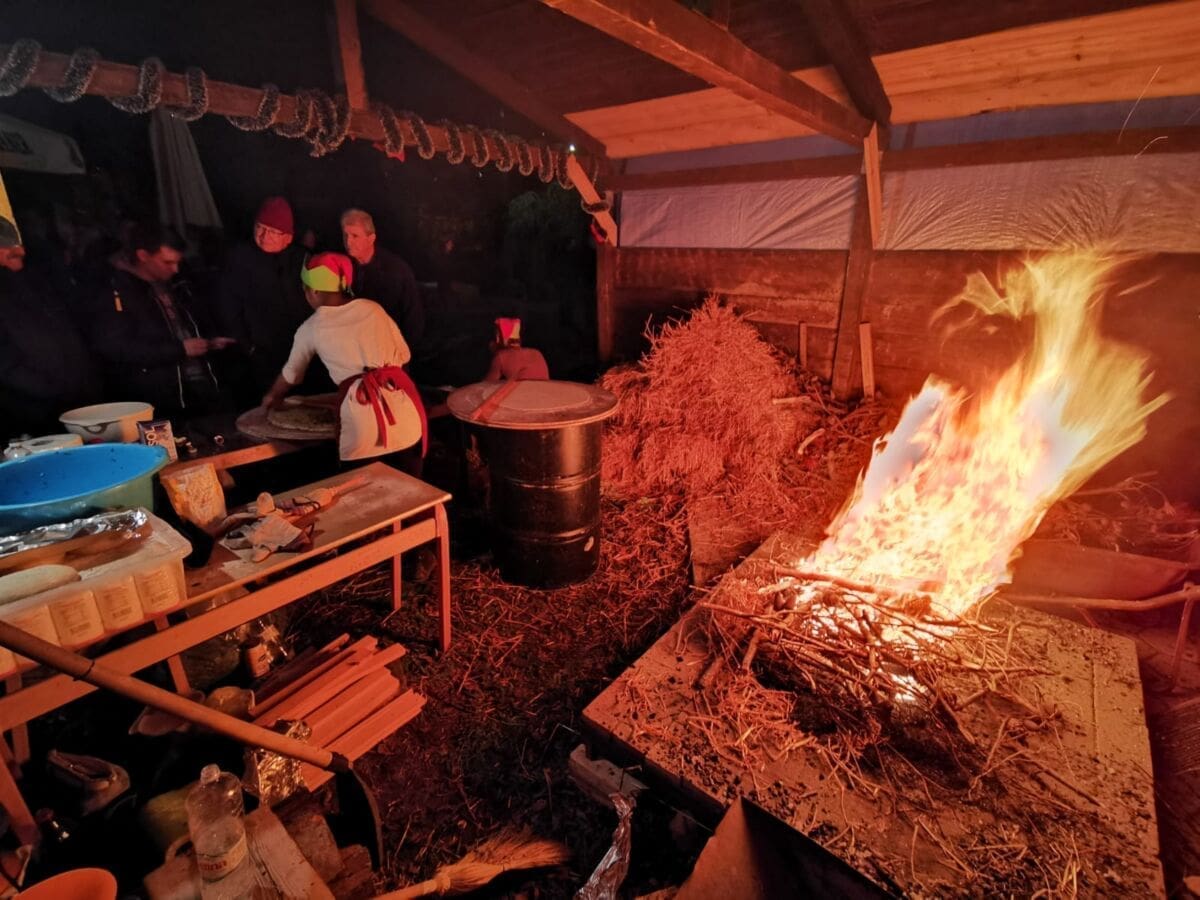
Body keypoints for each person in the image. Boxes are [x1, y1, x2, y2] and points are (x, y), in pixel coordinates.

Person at [262, 252, 427, 476]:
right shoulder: (373, 309)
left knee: (365, 495)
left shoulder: (311, 328)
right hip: (407, 420)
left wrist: (272, 396)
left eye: (305, 289)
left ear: (314, 291)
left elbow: (291, 374)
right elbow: (404, 355)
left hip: (362, 431)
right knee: (414, 493)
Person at [91, 222, 234, 420]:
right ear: (143, 255)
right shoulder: (115, 293)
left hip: (199, 385)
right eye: (167, 262)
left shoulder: (175, 283)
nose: (175, 269)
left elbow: (182, 325)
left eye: (177, 262)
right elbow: (116, 347)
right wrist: (179, 350)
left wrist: (207, 341)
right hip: (160, 397)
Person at [0, 217, 103, 439]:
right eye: (10, 252)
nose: (19, 255)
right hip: (31, 413)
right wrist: (52, 388)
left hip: (70, 398)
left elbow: (64, 329)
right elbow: (7, 365)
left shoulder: (33, 279)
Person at [218, 197, 313, 398]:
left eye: (272, 231)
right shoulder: (239, 258)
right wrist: (248, 347)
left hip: (301, 353)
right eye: (260, 228)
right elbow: (229, 307)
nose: (263, 236)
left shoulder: (302, 259)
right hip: (260, 356)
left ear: (288, 237)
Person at [340, 209, 425, 355]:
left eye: (355, 236)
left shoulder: (396, 270)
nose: (348, 242)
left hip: (388, 353)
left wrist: (401, 354)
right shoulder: (342, 266)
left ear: (371, 238)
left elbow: (413, 319)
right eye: (345, 235)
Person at [484, 317, 549, 382]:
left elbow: (486, 385)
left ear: (498, 338)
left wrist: (495, 353)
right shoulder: (537, 353)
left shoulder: (501, 357)